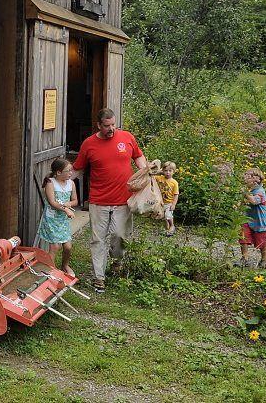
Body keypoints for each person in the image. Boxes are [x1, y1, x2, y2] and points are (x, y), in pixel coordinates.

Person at [73, 108, 148, 294]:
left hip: (124, 199)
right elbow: (78, 169)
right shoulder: (89, 144)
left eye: (113, 124)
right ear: (98, 125)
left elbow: (138, 156)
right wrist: (58, 183)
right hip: (99, 200)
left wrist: (146, 171)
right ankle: (99, 277)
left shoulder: (127, 138)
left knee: (120, 236)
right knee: (98, 240)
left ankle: (117, 263)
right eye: (107, 126)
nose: (111, 129)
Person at [36, 158, 77, 276]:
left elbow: (75, 201)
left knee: (68, 247)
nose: (71, 173)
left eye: (71, 170)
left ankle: (65, 266)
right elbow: (52, 202)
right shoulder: (50, 183)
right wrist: (66, 210)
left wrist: (69, 204)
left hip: (63, 220)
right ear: (58, 173)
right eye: (68, 171)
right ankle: (49, 271)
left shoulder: (71, 183)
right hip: (52, 219)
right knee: (55, 246)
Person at [238, 167, 266, 268]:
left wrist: (245, 194)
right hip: (247, 219)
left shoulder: (260, 191)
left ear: (255, 180)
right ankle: (244, 258)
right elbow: (242, 202)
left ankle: (264, 259)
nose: (245, 179)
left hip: (259, 220)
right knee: (243, 236)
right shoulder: (249, 191)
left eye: (247, 177)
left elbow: (254, 201)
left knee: (261, 240)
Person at [155, 161, 179, 236]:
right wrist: (160, 172)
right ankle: (167, 229)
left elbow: (176, 194)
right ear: (163, 171)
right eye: (165, 171)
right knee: (164, 217)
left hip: (169, 203)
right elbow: (152, 175)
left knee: (168, 216)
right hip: (161, 202)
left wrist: (174, 204)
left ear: (173, 172)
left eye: (170, 171)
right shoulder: (160, 178)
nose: (168, 172)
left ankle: (172, 226)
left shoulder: (174, 182)